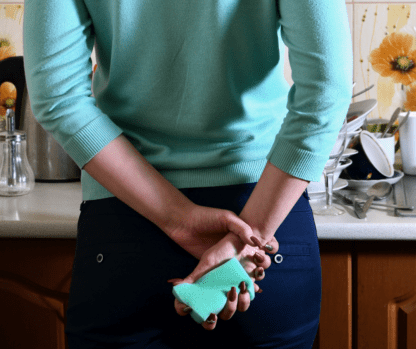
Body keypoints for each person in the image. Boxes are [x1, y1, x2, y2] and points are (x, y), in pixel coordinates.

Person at [23, 1, 352, 348]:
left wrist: (178, 218)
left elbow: (58, 98)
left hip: (126, 222)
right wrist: (248, 236)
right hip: (266, 219)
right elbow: (327, 88)